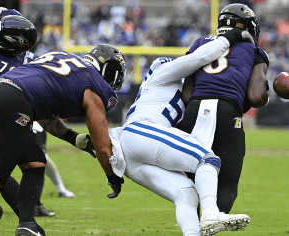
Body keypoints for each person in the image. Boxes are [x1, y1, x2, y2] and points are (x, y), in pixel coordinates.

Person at [107, 29, 255, 236]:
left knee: (186, 193)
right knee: (207, 158)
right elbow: (201, 57)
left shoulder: (171, 94)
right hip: (141, 132)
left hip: (132, 153)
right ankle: (211, 213)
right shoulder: (162, 74)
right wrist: (231, 37)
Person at [0, 43, 126, 236]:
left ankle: (27, 225)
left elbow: (42, 111)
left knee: (35, 160)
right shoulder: (93, 82)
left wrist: (73, 138)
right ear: (107, 70)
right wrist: (113, 177)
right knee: (0, 167)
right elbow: (103, 147)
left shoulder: (64, 58)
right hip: (14, 100)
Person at [179, 3, 270, 214]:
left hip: (194, 109)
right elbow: (256, 96)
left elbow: (186, 92)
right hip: (226, 111)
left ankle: (192, 228)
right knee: (227, 184)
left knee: (190, 181)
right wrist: (266, 92)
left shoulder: (199, 43)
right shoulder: (254, 51)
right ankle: (210, 224)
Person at [0, 8, 72, 220]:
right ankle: (27, 217)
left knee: (23, 163)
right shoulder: (28, 60)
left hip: (8, 119)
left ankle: (25, 215)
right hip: (17, 120)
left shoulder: (3, 61)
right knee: (31, 162)